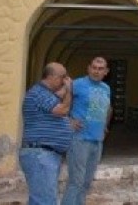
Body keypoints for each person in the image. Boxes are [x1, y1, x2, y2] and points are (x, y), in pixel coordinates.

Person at [19, 62, 74, 205]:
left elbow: (58, 98)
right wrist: (69, 91)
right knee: (44, 201)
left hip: (45, 155)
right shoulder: (39, 93)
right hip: (41, 155)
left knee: (43, 199)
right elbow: (62, 110)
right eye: (63, 77)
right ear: (52, 77)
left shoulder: (46, 94)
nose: (64, 81)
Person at [61, 57, 112, 205]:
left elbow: (108, 108)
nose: (97, 71)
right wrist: (68, 120)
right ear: (88, 68)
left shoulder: (106, 88)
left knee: (86, 183)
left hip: (97, 141)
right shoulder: (76, 84)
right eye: (94, 67)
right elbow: (56, 102)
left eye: (100, 68)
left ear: (106, 72)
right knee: (76, 182)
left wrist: (105, 126)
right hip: (79, 139)